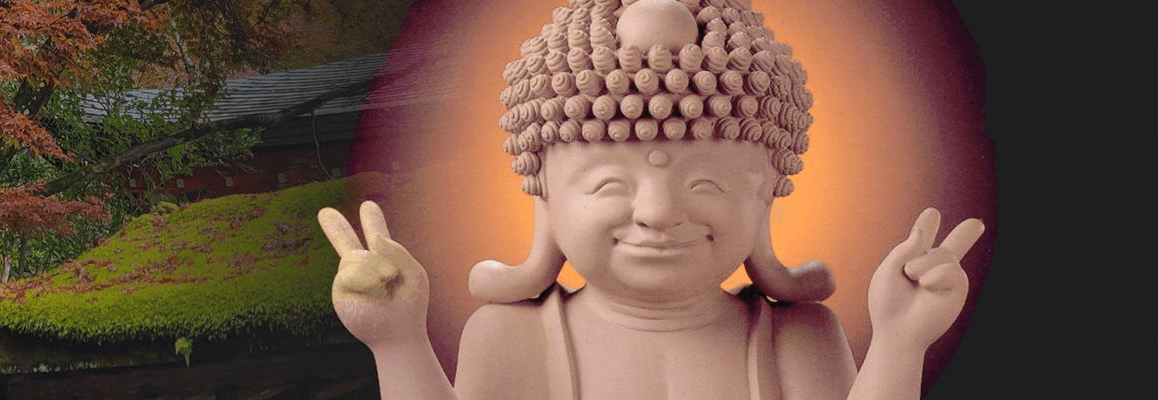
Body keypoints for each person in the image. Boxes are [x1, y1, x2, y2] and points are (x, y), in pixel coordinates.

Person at [317, 1, 984, 399]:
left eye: (707, 184)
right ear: (544, 198)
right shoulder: (511, 337)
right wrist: (397, 343)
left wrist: (900, 343)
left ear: (765, 200)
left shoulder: (797, 340)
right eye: (611, 184)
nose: (658, 213)